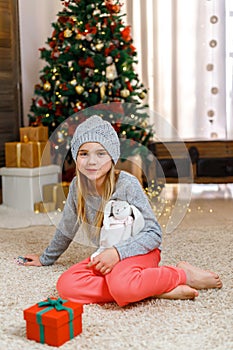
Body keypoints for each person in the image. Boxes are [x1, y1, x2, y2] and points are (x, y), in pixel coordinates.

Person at [24, 115, 222, 307]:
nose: (92, 161)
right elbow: (67, 227)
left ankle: (181, 274)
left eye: (101, 153)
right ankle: (154, 288)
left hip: (139, 250)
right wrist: (45, 258)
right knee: (67, 286)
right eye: (84, 153)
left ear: (112, 157)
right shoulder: (77, 186)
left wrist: (118, 253)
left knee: (121, 286)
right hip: (106, 253)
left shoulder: (127, 184)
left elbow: (153, 233)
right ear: (76, 157)